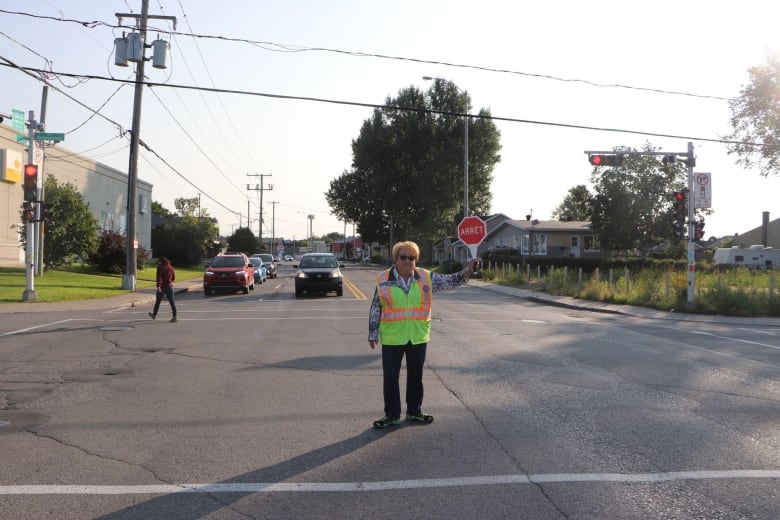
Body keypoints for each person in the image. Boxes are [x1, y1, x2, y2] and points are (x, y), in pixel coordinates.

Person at [368, 241, 479, 428]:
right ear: (396, 258)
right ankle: (392, 415)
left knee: (415, 376)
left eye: (412, 258)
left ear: (416, 260)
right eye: (403, 257)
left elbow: (451, 280)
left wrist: (469, 270)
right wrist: (373, 332)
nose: (407, 261)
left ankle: (414, 411)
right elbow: (376, 306)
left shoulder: (426, 277)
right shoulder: (383, 279)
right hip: (392, 337)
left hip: (418, 336)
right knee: (390, 377)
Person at [149, 257, 177, 323]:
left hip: (162, 287)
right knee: (172, 302)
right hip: (170, 286)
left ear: (161, 261)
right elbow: (173, 277)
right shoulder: (170, 267)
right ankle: (175, 316)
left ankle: (154, 315)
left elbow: (159, 278)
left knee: (158, 301)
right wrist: (170, 282)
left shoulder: (160, 267)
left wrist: (159, 286)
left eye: (159, 261)